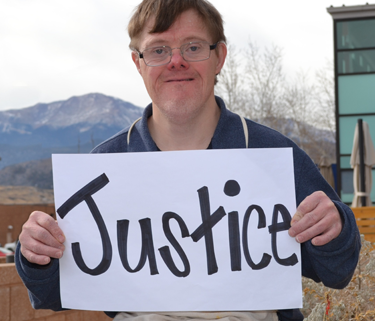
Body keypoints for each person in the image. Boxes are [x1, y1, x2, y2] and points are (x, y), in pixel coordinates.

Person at [15, 0, 361, 320]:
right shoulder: (105, 167)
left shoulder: (274, 156)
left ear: (219, 57)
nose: (175, 61)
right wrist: (34, 252)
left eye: (193, 47)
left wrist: (336, 228)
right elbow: (53, 293)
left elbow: (338, 270)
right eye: (158, 50)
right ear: (138, 62)